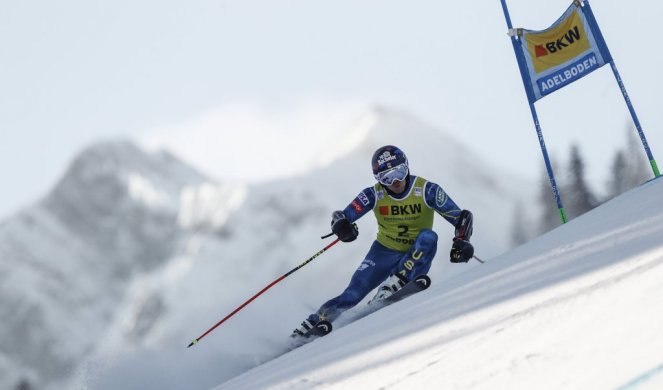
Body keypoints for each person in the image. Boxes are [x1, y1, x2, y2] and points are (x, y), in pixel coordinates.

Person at [291, 145, 475, 338]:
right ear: (379, 179)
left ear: (407, 167)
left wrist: (462, 240)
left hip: (416, 255)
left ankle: (398, 280)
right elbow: (342, 216)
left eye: (399, 172)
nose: (395, 181)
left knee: (429, 237)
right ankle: (312, 325)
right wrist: (342, 225)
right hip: (383, 252)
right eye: (386, 177)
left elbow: (461, 217)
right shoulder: (374, 194)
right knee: (352, 294)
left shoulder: (426, 190)